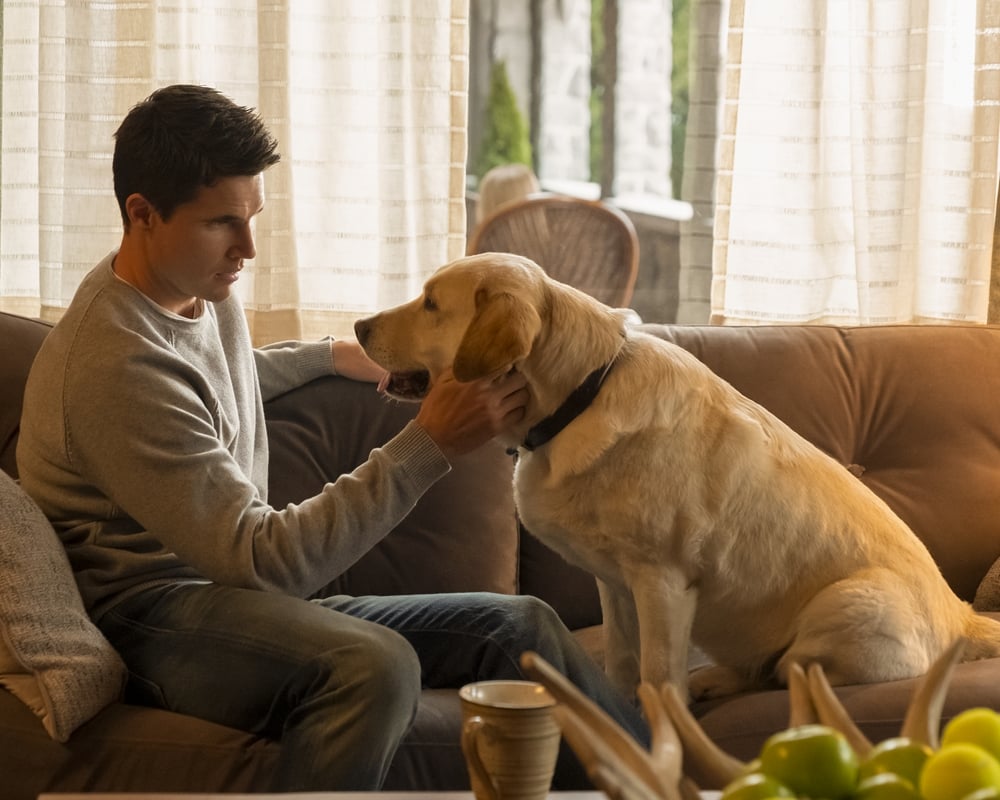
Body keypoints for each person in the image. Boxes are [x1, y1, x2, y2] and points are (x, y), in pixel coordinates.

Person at [15, 84, 647, 790]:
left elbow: (210, 382)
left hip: (230, 597)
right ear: (142, 214)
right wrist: (428, 444)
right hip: (152, 618)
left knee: (521, 626)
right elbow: (263, 560)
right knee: (371, 664)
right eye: (223, 223)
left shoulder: (187, 289)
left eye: (252, 216)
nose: (248, 248)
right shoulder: (110, 364)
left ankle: (660, 785)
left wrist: (325, 354)